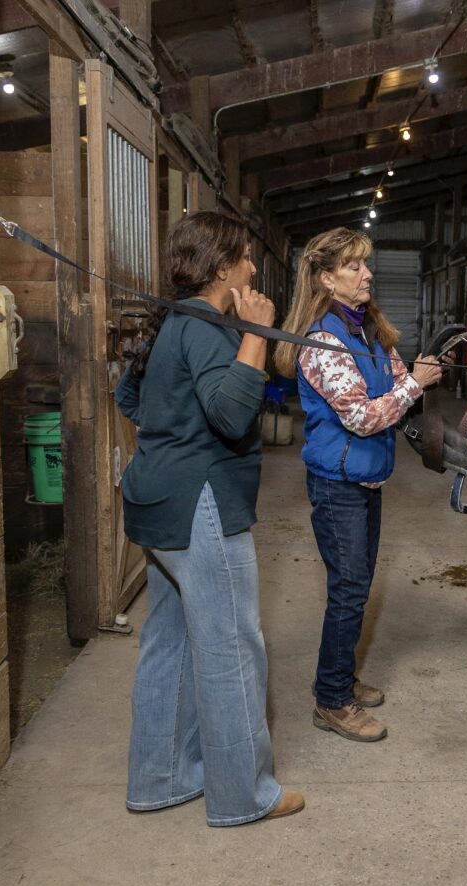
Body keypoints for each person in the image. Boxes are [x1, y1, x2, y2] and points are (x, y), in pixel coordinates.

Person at [115, 211, 304, 826]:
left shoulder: (176, 322)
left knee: (170, 640)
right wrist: (256, 333)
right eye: (247, 257)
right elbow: (229, 416)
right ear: (223, 267)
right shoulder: (208, 328)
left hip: (156, 499)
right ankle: (243, 794)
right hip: (199, 505)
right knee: (230, 647)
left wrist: (169, 433)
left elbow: (129, 399)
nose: (253, 267)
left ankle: (160, 775)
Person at [274, 227, 444, 743]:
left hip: (367, 480)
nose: (367, 274)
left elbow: (394, 382)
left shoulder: (367, 329)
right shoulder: (324, 339)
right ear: (326, 279)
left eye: (365, 264)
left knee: (357, 588)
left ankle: (341, 679)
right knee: (348, 594)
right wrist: (416, 383)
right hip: (338, 485)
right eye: (354, 266)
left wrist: (413, 378)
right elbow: (364, 417)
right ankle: (331, 700)